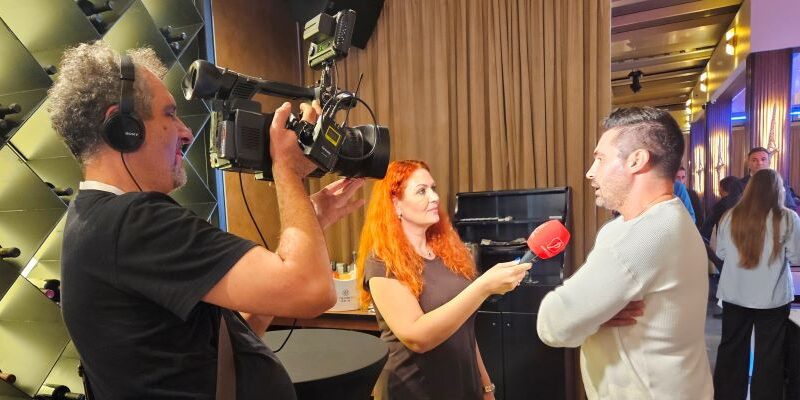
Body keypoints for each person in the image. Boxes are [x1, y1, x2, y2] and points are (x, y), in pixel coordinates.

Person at [49, 41, 365, 399]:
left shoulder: (95, 220)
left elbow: (225, 344)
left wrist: (311, 221)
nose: (185, 132)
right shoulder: (134, 222)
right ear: (124, 127)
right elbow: (311, 292)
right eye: (169, 114)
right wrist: (288, 170)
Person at [536, 107, 713, 399]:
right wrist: (593, 315)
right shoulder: (670, 218)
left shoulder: (642, 235)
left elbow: (552, 324)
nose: (590, 172)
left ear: (636, 160)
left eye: (600, 159)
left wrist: (590, 317)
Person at [356, 160, 531, 400]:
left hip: (463, 388)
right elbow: (417, 337)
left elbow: (465, 330)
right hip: (413, 391)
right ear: (396, 204)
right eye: (421, 191)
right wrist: (482, 287)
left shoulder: (447, 254)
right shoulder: (382, 261)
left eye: (433, 188)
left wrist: (486, 386)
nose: (435, 197)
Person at [712, 169, 800, 399]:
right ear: (778, 190)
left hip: (735, 294)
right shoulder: (788, 218)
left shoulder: (730, 216)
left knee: (732, 349)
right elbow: (796, 256)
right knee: (770, 354)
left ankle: (727, 395)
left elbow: (721, 253)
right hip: (772, 297)